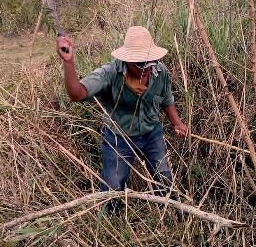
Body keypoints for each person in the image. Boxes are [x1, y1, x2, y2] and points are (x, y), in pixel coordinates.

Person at [56, 26, 188, 214]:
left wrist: (177, 123)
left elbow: (166, 99)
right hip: (118, 138)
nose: (145, 69)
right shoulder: (110, 73)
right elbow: (77, 94)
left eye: (149, 63)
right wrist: (68, 62)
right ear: (126, 59)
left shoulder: (160, 71)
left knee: (163, 177)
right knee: (113, 186)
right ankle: (109, 222)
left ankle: (170, 215)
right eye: (139, 64)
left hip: (152, 134)